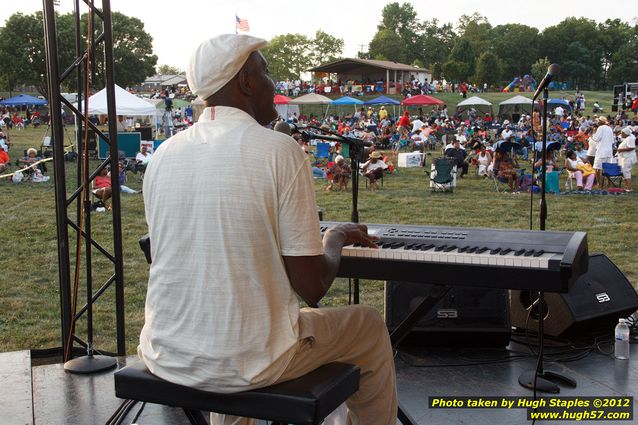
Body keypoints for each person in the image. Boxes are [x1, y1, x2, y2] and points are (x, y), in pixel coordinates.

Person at [138, 34, 397, 425]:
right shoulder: (279, 149)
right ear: (245, 82)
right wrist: (335, 237)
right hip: (248, 358)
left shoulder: (161, 156)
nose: (274, 85)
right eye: (266, 72)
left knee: (244, 329)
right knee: (370, 325)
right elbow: (312, 286)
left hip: (166, 351)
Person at [590, 116, 614, 189]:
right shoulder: (610, 128)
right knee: (607, 168)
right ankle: (608, 183)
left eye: (598, 121)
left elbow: (596, 138)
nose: (597, 122)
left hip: (601, 151)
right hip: (609, 151)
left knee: (597, 168)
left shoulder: (600, 128)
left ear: (600, 121)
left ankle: (599, 184)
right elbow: (612, 141)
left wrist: (592, 135)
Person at [617, 127, 636, 192]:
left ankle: (629, 187)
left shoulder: (630, 139)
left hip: (628, 158)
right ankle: (626, 186)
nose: (621, 134)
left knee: (626, 171)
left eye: (622, 133)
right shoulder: (627, 138)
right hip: (623, 158)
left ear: (626, 133)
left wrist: (621, 149)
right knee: (623, 172)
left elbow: (632, 147)